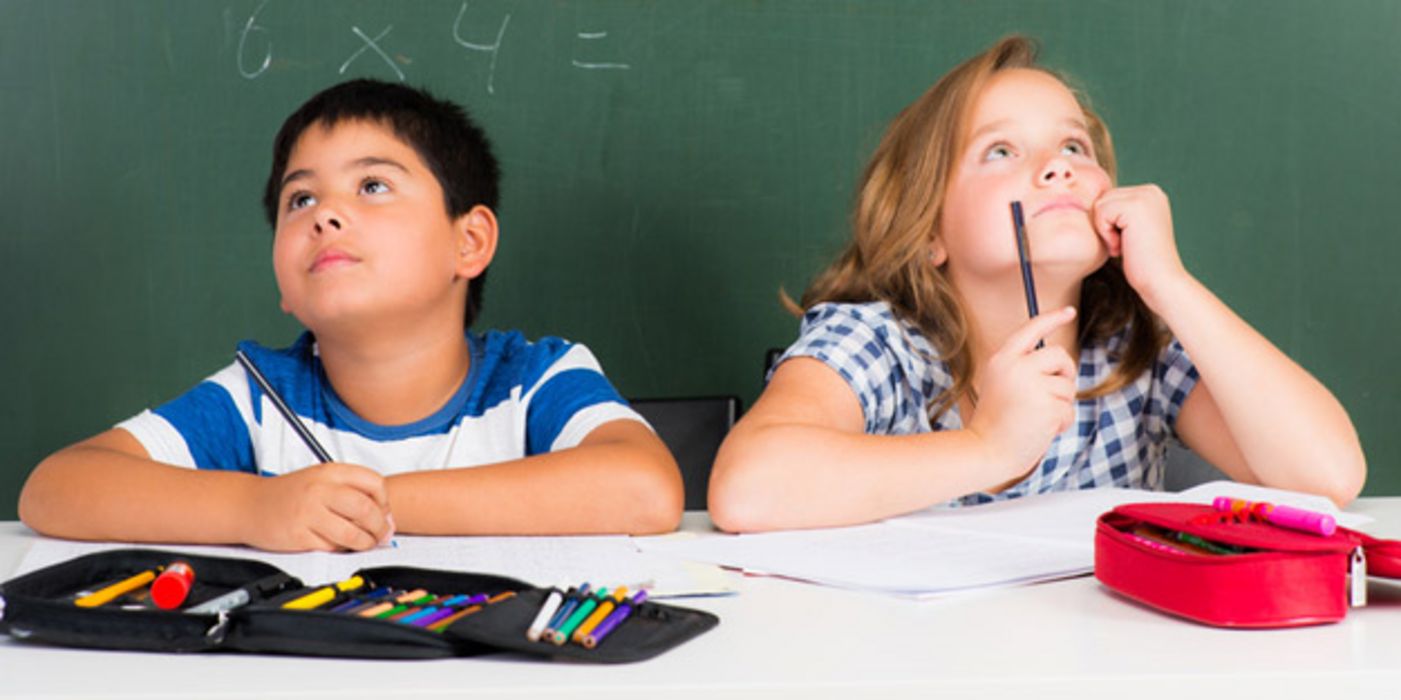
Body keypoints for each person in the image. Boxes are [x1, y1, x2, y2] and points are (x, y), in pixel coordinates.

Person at [708, 36, 1365, 532]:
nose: (1055, 169)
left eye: (1074, 148)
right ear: (928, 230)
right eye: (1000, 152)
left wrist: (1169, 283)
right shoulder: (878, 344)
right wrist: (986, 446)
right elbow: (746, 492)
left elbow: (1326, 475)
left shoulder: (1132, 348)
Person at [19, 79, 683, 550]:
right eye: (299, 199)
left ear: (469, 241)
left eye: (373, 186)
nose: (326, 214)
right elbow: (56, 489)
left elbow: (644, 488)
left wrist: (368, 504)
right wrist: (257, 507)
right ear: (284, 284)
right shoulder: (261, 399)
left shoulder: (533, 379)